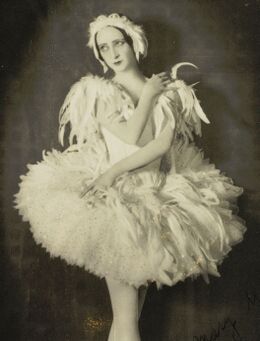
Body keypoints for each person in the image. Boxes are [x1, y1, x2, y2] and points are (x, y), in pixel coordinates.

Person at [14, 13, 246, 341]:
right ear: (99, 54)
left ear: (134, 43)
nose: (113, 53)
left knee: (130, 314)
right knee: (126, 315)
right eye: (104, 48)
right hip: (117, 203)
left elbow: (161, 146)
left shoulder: (165, 91)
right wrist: (115, 168)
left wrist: (153, 95)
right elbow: (132, 137)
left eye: (118, 43)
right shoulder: (98, 92)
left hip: (155, 198)